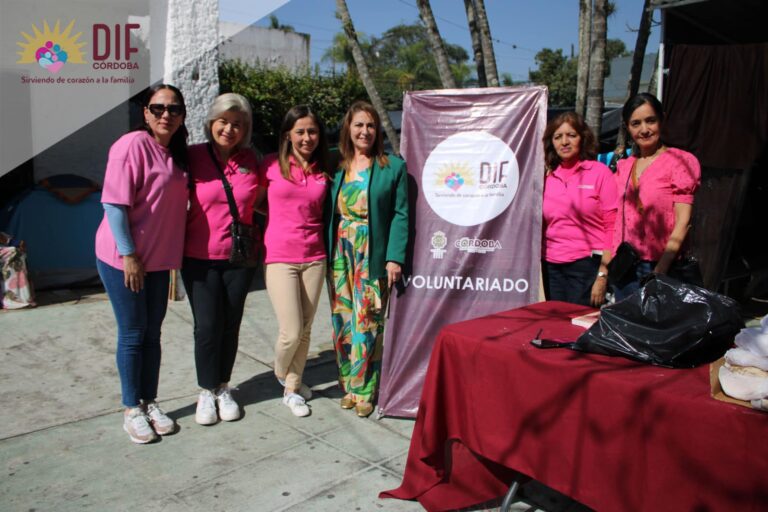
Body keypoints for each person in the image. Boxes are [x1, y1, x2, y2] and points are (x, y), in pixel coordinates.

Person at [95, 84, 189, 444]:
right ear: (145, 113)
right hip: (124, 259)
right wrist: (128, 254)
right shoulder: (131, 145)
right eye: (158, 108)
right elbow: (113, 205)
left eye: (174, 109)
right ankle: (130, 408)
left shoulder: (175, 154)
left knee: (153, 334)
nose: (167, 114)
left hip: (159, 260)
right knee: (133, 333)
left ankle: (149, 401)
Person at [181, 93, 265, 426]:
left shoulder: (252, 160)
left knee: (230, 325)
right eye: (224, 122)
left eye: (238, 124)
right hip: (198, 257)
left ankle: (223, 387)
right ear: (211, 123)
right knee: (207, 327)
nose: (229, 129)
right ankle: (206, 389)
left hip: (239, 257)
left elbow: (263, 200)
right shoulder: (192, 157)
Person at [325, 101, 409, 418]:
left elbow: (401, 215)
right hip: (339, 252)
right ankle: (348, 383)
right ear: (349, 128)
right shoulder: (336, 164)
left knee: (369, 319)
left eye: (370, 125)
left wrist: (394, 258)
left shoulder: (393, 167)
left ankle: (365, 389)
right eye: (359, 124)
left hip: (371, 251)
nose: (364, 131)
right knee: (342, 318)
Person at [262, 105, 330, 417]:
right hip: (280, 257)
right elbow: (253, 202)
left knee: (305, 328)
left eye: (312, 131)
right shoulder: (271, 166)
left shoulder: (324, 168)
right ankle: (280, 371)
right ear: (288, 134)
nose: (306, 137)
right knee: (290, 330)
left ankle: (292, 387)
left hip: (315, 257)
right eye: (300, 131)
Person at [612, 92, 701, 300]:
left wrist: (662, 267)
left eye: (650, 121)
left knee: (658, 330)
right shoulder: (624, 167)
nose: (644, 129)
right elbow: (616, 219)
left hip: (661, 267)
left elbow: (683, 221)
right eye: (636, 123)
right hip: (625, 267)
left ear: (662, 119)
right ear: (627, 127)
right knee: (626, 329)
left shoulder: (680, 162)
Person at [541, 112, 618, 307]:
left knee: (579, 327)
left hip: (586, 265)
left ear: (582, 138)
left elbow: (612, 227)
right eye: (558, 137)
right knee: (555, 327)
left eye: (571, 135)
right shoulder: (545, 178)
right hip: (550, 266)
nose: (564, 142)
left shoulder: (600, 173)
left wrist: (602, 275)